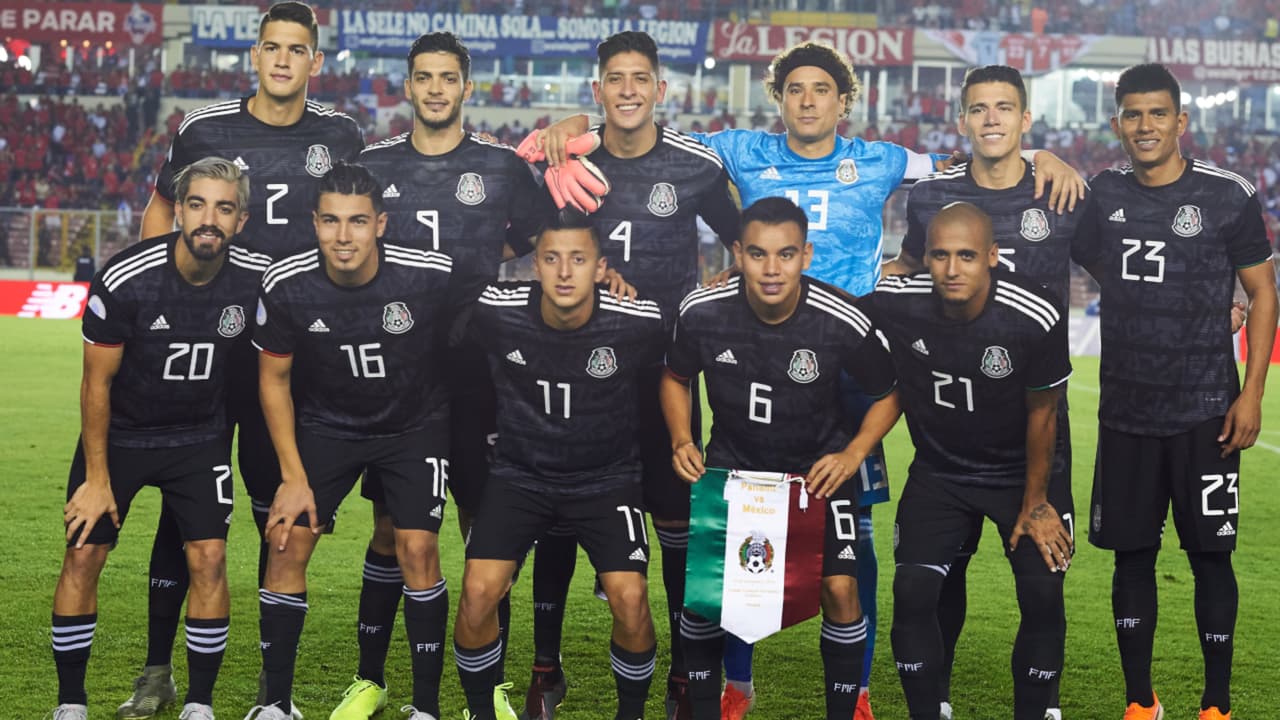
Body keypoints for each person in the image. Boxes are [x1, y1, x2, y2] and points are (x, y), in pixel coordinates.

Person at [531, 40, 1085, 718]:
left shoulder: (882, 160)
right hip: (758, 354)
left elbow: (973, 154)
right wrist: (575, 127)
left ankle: (859, 690)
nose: (808, 100)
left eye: (822, 89)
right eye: (795, 89)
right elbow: (641, 130)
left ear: (843, 101)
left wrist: (1041, 155)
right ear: (779, 99)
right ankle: (736, 682)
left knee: (856, 530)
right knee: (744, 521)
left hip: (849, 363)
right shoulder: (738, 150)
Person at [123, 4, 364, 716]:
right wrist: (158, 297)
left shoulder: (341, 134)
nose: (283, 60)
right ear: (254, 56)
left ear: (315, 60)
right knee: (184, 508)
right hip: (207, 345)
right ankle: (156, 671)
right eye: (271, 47)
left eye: (297, 49)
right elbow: (162, 212)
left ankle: (270, 682)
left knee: (275, 511)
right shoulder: (204, 128)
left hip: (289, 353)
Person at [513, 31, 739, 720]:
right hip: (579, 374)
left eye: (641, 78)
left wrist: (707, 302)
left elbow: (742, 242)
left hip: (665, 375)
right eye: (616, 78)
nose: (629, 90)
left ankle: (684, 673)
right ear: (598, 90)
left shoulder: (695, 165)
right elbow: (542, 247)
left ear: (660, 89)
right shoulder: (571, 162)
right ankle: (546, 669)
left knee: (675, 522)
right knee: (559, 516)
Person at [345, 32, 552, 720]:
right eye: (424, 78)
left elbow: (539, 234)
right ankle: (370, 680)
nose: (436, 89)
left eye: (447, 78)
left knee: (485, 533)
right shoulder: (372, 164)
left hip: (479, 374)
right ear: (408, 86)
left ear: (467, 87)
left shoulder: (500, 166)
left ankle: (486, 690)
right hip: (398, 375)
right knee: (390, 528)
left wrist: (484, 255)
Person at [1073, 63, 1278, 720]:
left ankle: (1216, 705)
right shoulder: (1102, 194)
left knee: (1211, 558)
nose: (1145, 126)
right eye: (1133, 114)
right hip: (1126, 411)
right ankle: (1141, 702)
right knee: (1131, 558)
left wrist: (1251, 395)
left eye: (1158, 113)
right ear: (1117, 124)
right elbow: (1093, 257)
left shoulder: (1227, 195)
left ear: (1180, 121)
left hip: (1207, 413)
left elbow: (1262, 293)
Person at [883, 64, 1084, 720]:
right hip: (947, 423)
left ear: (1026, 120)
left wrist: (1218, 301)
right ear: (963, 120)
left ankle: (1042, 704)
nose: (991, 118)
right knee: (936, 581)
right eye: (979, 108)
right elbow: (911, 268)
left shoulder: (1061, 191)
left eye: (1004, 108)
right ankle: (934, 700)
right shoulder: (931, 197)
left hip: (1032, 425)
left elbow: (1124, 263)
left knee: (1043, 585)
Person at [661, 196, 899, 720]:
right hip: (734, 471)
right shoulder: (701, 311)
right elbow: (675, 377)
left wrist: (853, 453)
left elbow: (890, 392)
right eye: (758, 254)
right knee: (706, 597)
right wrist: (681, 438)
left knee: (841, 588)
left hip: (816, 476)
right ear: (737, 254)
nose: (772, 269)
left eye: (786, 254)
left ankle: (845, 709)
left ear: (805, 256)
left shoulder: (840, 318)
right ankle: (714, 704)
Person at [48, 157, 266, 720]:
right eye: (197, 204)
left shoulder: (257, 279)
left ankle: (198, 703)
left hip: (199, 438)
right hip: (120, 436)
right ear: (179, 212)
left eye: (224, 208)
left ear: (241, 220)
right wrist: (97, 479)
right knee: (83, 555)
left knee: (210, 559)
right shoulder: (127, 277)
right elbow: (96, 384)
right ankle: (71, 703)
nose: (209, 219)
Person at [245, 162, 455, 720]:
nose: (344, 236)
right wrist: (292, 477)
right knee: (285, 542)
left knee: (417, 548)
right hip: (328, 425)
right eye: (331, 221)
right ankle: (276, 705)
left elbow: (487, 324)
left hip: (413, 426)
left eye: (358, 221)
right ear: (314, 223)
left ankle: (426, 707)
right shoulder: (286, 283)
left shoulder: (430, 274)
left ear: (380, 224)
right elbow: (274, 380)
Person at [451, 212, 666, 720]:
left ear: (601, 268)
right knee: (477, 594)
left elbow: (683, 366)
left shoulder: (638, 319)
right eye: (551, 259)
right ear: (535, 266)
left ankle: (630, 714)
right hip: (519, 477)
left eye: (578, 259)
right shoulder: (496, 310)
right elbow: (445, 327)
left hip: (607, 479)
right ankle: (482, 713)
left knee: (630, 599)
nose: (564, 272)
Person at [865, 202, 1073, 720]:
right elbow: (832, 310)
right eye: (940, 255)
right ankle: (927, 711)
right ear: (925, 258)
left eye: (966, 256)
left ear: (992, 257)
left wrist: (1036, 503)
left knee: (1043, 593)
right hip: (940, 471)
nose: (952, 269)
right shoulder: (898, 301)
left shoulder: (1036, 312)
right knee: (913, 591)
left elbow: (1043, 412)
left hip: (1020, 473)